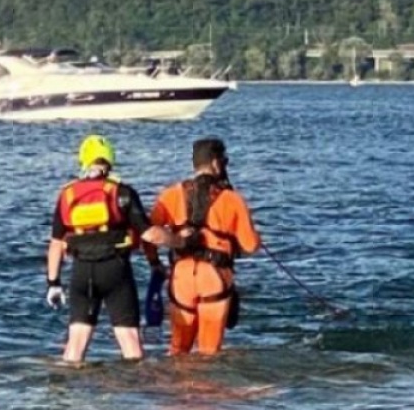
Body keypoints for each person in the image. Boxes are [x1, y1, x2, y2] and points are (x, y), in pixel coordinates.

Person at [47, 135, 172, 362]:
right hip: (115, 270)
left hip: (82, 272)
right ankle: (133, 383)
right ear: (110, 160)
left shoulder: (67, 194)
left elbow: (56, 243)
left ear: (83, 160)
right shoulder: (122, 192)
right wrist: (179, 242)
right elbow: (149, 234)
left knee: (76, 343)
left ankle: (66, 383)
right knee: (130, 342)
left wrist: (53, 284)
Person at [151, 138, 262, 357]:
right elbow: (250, 245)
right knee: (209, 353)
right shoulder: (232, 199)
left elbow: (148, 234)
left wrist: (154, 263)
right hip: (214, 277)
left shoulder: (170, 195)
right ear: (216, 163)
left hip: (181, 277)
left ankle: (173, 379)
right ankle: (205, 380)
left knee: (178, 349)